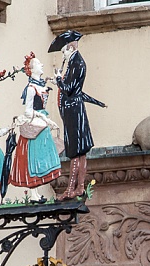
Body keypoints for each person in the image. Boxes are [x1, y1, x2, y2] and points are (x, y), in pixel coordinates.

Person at [48, 30, 105, 200]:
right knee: (79, 152)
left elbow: (70, 89)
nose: (63, 54)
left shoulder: (77, 63)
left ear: (71, 47)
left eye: (64, 50)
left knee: (75, 151)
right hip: (73, 111)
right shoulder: (73, 63)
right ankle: (78, 188)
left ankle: (72, 189)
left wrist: (59, 79)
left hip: (74, 112)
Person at [11, 52, 62, 203]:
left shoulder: (40, 85)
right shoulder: (31, 88)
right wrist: (44, 118)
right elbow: (28, 111)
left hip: (42, 126)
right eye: (39, 64)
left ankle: (37, 194)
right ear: (32, 69)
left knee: (41, 158)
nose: (42, 66)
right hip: (35, 126)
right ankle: (33, 194)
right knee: (33, 160)